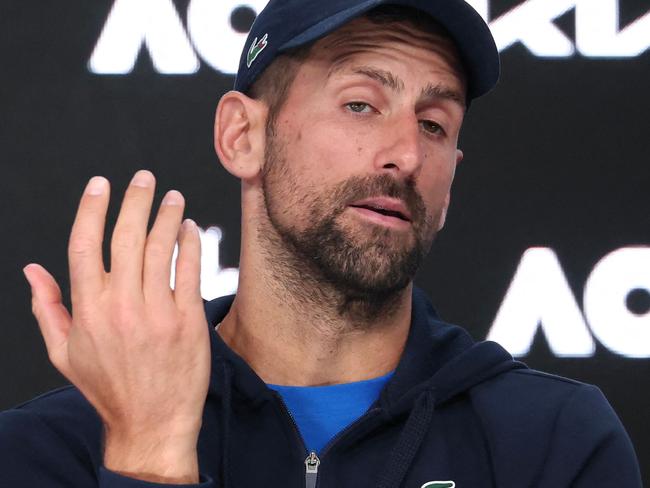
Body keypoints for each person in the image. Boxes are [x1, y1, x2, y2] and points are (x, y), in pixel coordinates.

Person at [0, 0, 642, 486]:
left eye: (434, 123)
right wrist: (146, 452)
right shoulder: (52, 450)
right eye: (361, 105)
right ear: (241, 137)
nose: (407, 154)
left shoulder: (553, 442)